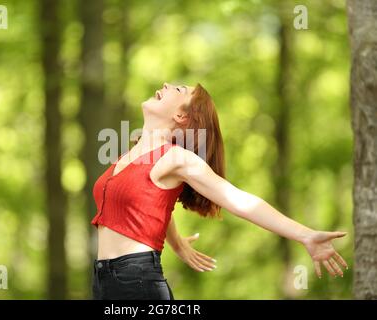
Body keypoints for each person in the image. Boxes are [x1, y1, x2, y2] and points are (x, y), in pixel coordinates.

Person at [91, 82, 348, 300]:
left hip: (136, 282)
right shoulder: (127, 156)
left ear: (181, 117)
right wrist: (177, 242)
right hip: (103, 280)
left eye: (179, 89)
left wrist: (305, 235)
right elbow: (150, 205)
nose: (167, 85)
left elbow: (240, 200)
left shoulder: (176, 158)